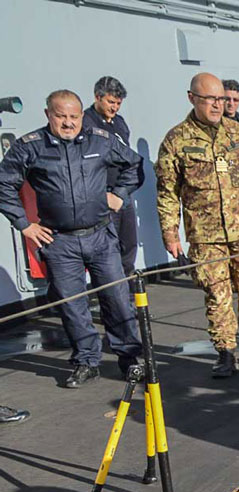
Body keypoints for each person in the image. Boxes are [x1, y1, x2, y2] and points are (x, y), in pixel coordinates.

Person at [0, 89, 143, 388]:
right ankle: (86, 361)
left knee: (117, 300)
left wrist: (119, 195)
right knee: (72, 305)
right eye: (60, 116)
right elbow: (4, 184)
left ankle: (130, 359)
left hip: (101, 236)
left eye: (74, 116)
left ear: (82, 115)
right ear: (48, 115)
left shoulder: (100, 140)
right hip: (60, 242)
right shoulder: (31, 147)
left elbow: (134, 165)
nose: (68, 123)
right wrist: (24, 225)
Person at [156, 72, 239, 379]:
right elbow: (168, 193)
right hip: (206, 236)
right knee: (218, 295)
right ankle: (225, 353)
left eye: (220, 99)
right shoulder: (176, 141)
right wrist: (170, 233)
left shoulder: (238, 134)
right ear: (192, 99)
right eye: (209, 99)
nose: (216, 105)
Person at [81, 76, 141, 276]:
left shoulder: (119, 123)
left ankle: (130, 294)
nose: (114, 107)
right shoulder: (86, 123)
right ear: (98, 97)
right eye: (110, 102)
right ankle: (113, 296)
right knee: (109, 248)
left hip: (123, 192)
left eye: (118, 103)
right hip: (103, 194)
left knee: (129, 244)